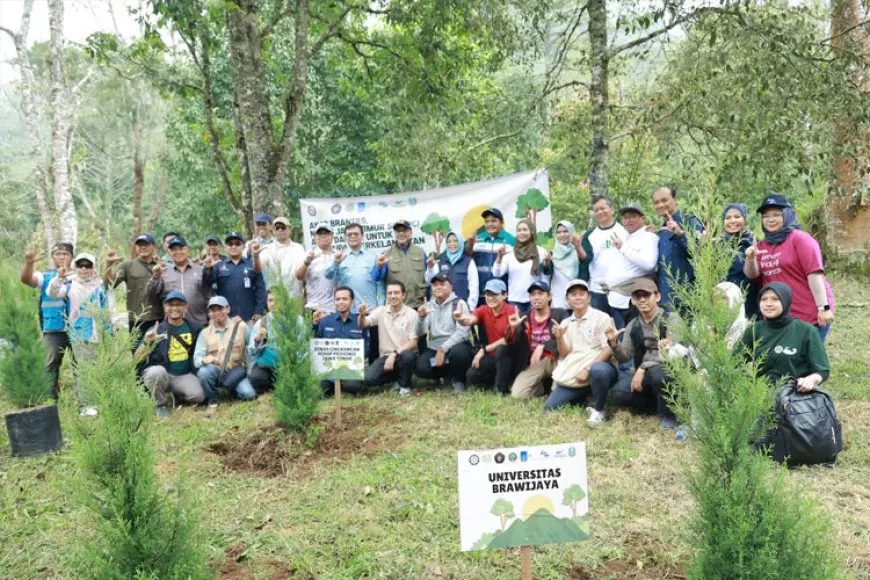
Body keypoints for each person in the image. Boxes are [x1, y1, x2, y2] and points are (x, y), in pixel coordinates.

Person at [744, 193, 834, 342]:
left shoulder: (800, 239)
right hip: (780, 316)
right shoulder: (761, 245)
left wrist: (823, 307)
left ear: (787, 215)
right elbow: (753, 275)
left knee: (807, 361)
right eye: (766, 216)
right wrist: (751, 259)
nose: (770, 219)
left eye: (776, 215)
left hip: (809, 314)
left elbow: (815, 274)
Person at [544, 279, 618, 425]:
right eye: (573, 294)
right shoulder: (565, 323)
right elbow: (565, 354)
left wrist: (587, 369)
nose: (578, 297)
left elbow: (609, 349)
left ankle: (597, 408)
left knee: (598, 371)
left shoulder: (601, 317)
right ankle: (585, 394)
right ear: (567, 299)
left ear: (589, 297)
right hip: (576, 371)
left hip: (601, 368)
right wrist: (559, 338)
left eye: (582, 294)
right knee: (550, 407)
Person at [609, 279, 681, 429]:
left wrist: (643, 367)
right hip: (647, 375)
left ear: (658, 297)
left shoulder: (672, 319)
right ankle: (657, 407)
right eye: (637, 296)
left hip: (672, 370)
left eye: (646, 295)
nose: (642, 299)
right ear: (633, 301)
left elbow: (675, 352)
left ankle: (669, 417)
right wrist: (614, 343)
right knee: (618, 393)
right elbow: (624, 357)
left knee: (659, 374)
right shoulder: (633, 324)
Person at [48, 253, 112, 416]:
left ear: (93, 268)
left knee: (99, 366)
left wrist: (109, 331)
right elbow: (52, 292)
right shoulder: (69, 285)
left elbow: (107, 309)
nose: (84, 269)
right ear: (76, 267)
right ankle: (86, 405)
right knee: (84, 369)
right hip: (79, 333)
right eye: (81, 265)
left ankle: (100, 401)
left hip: (99, 332)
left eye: (88, 265)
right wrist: (59, 278)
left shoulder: (99, 286)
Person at [735, 282, 829, 391]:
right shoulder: (754, 329)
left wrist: (810, 380)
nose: (768, 304)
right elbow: (734, 362)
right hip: (759, 398)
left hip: (795, 397)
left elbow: (822, 370)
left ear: (786, 301)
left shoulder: (806, 331)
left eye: (775, 299)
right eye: (764, 299)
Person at [137, 291, 205, 418]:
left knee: (198, 396)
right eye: (170, 304)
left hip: (183, 375)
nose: (174, 308)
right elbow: (137, 358)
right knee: (155, 372)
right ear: (165, 307)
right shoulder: (156, 329)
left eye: (179, 304)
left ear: (186, 307)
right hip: (163, 373)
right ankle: (160, 404)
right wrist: (147, 342)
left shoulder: (194, 328)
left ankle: (177, 394)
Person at [19, 242, 73, 399]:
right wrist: (29, 263)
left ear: (71, 256)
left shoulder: (80, 275)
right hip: (54, 328)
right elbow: (26, 279)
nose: (62, 257)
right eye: (58, 254)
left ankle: (85, 402)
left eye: (65, 254)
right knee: (50, 364)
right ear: (52, 257)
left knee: (81, 365)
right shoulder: (45, 276)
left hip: (79, 327)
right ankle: (50, 400)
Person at [455, 279, 520, 394]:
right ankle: (497, 380)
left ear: (505, 295)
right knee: (472, 376)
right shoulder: (484, 310)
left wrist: (484, 350)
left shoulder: (512, 311)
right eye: (487, 294)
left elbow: (507, 340)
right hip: (491, 357)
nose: (490, 298)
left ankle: (501, 388)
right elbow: (470, 320)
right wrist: (461, 320)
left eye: (494, 294)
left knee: (502, 350)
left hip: (509, 357)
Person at [506, 280, 569, 399]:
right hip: (535, 363)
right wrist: (513, 328)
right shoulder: (524, 318)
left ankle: (555, 389)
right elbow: (513, 343)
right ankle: (544, 386)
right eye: (533, 294)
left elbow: (568, 339)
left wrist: (543, 345)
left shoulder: (560, 314)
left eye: (540, 293)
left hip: (556, 358)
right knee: (518, 394)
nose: (536, 298)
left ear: (549, 296)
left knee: (558, 396)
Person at [600, 203, 659, 327]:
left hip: (632, 300)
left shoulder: (648, 237)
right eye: (625, 217)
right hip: (616, 299)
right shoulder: (626, 237)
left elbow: (649, 264)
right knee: (620, 340)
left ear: (643, 219)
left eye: (632, 216)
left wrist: (623, 247)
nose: (628, 220)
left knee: (632, 339)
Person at [414, 273, 474, 393]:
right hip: (434, 348)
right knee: (420, 368)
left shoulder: (459, 304)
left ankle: (459, 380)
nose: (438, 287)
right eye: (435, 285)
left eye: (442, 284)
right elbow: (419, 333)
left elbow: (463, 334)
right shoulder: (429, 306)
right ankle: (446, 376)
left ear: (451, 287)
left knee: (459, 354)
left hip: (454, 346)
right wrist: (420, 318)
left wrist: (443, 349)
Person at [194, 296, 256, 410]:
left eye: (220, 309)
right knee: (204, 372)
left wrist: (251, 371)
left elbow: (253, 350)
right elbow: (197, 359)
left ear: (228, 309)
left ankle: (232, 387)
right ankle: (213, 399)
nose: (217, 313)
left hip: (235, 371)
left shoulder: (241, 326)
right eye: (213, 310)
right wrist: (204, 360)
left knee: (249, 395)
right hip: (216, 371)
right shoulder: (204, 333)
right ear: (210, 313)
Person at [359, 281, 419, 396]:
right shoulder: (381, 310)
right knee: (369, 379)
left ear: (404, 295)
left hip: (404, 355)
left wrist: (394, 354)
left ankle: (404, 385)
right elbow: (364, 324)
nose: (393, 296)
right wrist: (361, 315)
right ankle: (397, 378)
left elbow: (414, 342)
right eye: (390, 293)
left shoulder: (412, 314)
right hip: (386, 356)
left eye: (396, 293)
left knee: (407, 356)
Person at [650, 186, 704, 314]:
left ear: (675, 199)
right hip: (665, 298)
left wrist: (680, 234)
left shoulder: (691, 222)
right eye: (656, 202)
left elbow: (699, 252)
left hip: (687, 298)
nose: (660, 205)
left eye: (664, 200)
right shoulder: (662, 230)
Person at [578, 196, 630, 326]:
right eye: (596, 210)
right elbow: (586, 258)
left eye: (603, 208)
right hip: (597, 289)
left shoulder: (625, 231)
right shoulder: (590, 235)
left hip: (621, 288)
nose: (600, 212)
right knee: (600, 329)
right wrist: (577, 246)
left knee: (621, 328)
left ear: (611, 209)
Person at [104, 233, 164, 336]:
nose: (143, 247)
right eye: (140, 245)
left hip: (158, 318)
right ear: (136, 248)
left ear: (154, 247)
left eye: (146, 244)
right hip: (136, 319)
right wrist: (108, 264)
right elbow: (108, 284)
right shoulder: (127, 266)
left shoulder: (161, 266)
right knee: (137, 352)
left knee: (159, 351)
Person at [491, 218, 551, 316]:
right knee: (517, 330)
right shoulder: (510, 252)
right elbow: (497, 274)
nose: (521, 232)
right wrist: (499, 258)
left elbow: (545, 277)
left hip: (535, 300)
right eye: (519, 230)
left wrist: (544, 297)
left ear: (531, 231)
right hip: (515, 300)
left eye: (525, 229)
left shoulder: (541, 252)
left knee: (534, 330)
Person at [314, 286, 367, 396]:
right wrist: (314, 324)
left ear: (352, 301)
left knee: (353, 387)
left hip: (351, 368)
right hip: (329, 368)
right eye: (337, 299)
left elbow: (366, 346)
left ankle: (343, 386)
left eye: (345, 299)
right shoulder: (325, 321)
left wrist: (353, 362)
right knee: (320, 391)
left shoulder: (360, 322)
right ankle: (333, 387)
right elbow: (317, 344)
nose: (341, 302)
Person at [146, 235, 211, 325]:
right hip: (173, 325)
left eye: (181, 248)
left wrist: (211, 318)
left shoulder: (200, 270)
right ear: (169, 253)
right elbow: (151, 295)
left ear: (187, 250)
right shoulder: (163, 272)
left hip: (198, 322)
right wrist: (155, 276)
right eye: (174, 250)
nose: (178, 252)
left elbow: (208, 296)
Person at [204, 232, 267, 323]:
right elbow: (207, 286)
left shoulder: (252, 264)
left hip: (249, 317)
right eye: (230, 244)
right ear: (226, 247)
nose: (234, 246)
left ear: (243, 246)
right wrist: (208, 269)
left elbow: (260, 289)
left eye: (237, 244)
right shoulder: (218, 266)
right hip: (225, 318)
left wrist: (258, 311)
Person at [465, 208, 516, 306]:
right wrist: (471, 244)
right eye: (487, 221)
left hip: (501, 292)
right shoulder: (478, 238)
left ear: (501, 223)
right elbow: (468, 255)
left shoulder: (511, 240)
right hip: (480, 291)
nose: (489, 224)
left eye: (493, 221)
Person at [374, 220, 427, 308]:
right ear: (395, 234)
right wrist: (379, 266)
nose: (401, 233)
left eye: (404, 230)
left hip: (418, 305)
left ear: (410, 233)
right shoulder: (387, 254)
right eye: (398, 231)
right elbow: (377, 278)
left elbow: (428, 278)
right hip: (396, 307)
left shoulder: (420, 252)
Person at [721, 203, 759, 319]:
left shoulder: (754, 243)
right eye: (728, 218)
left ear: (745, 219)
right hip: (724, 302)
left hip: (750, 300)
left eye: (737, 217)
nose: (732, 221)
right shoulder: (717, 245)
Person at [425, 231, 479, 310]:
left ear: (460, 242)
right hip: (442, 308)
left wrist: (470, 308)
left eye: (455, 241)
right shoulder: (439, 261)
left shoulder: (469, 262)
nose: (452, 244)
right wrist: (430, 267)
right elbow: (429, 280)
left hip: (461, 307)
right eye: (449, 241)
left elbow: (474, 288)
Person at [256, 216, 306, 298]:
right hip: (276, 298)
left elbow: (303, 272)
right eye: (277, 228)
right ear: (273, 231)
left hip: (296, 297)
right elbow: (259, 268)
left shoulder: (299, 248)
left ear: (289, 230)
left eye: (283, 227)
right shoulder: (267, 249)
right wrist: (255, 256)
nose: (280, 230)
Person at [295, 222, 336, 313]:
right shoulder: (307, 255)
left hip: (335, 307)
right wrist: (307, 262)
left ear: (332, 236)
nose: (323, 236)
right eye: (320, 233)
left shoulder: (337, 255)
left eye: (326, 233)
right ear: (315, 237)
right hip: (314, 306)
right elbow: (299, 276)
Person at [248, 291, 280, 394]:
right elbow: (251, 353)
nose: (273, 304)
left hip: (286, 364)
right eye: (270, 300)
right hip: (266, 364)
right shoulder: (262, 322)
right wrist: (257, 340)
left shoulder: (296, 321)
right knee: (255, 379)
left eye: (277, 300)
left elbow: (303, 348)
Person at [550, 221, 582, 310]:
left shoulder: (578, 251)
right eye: (559, 232)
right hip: (557, 302)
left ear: (571, 232)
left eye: (565, 231)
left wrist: (578, 247)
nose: (562, 235)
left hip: (576, 300)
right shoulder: (552, 254)